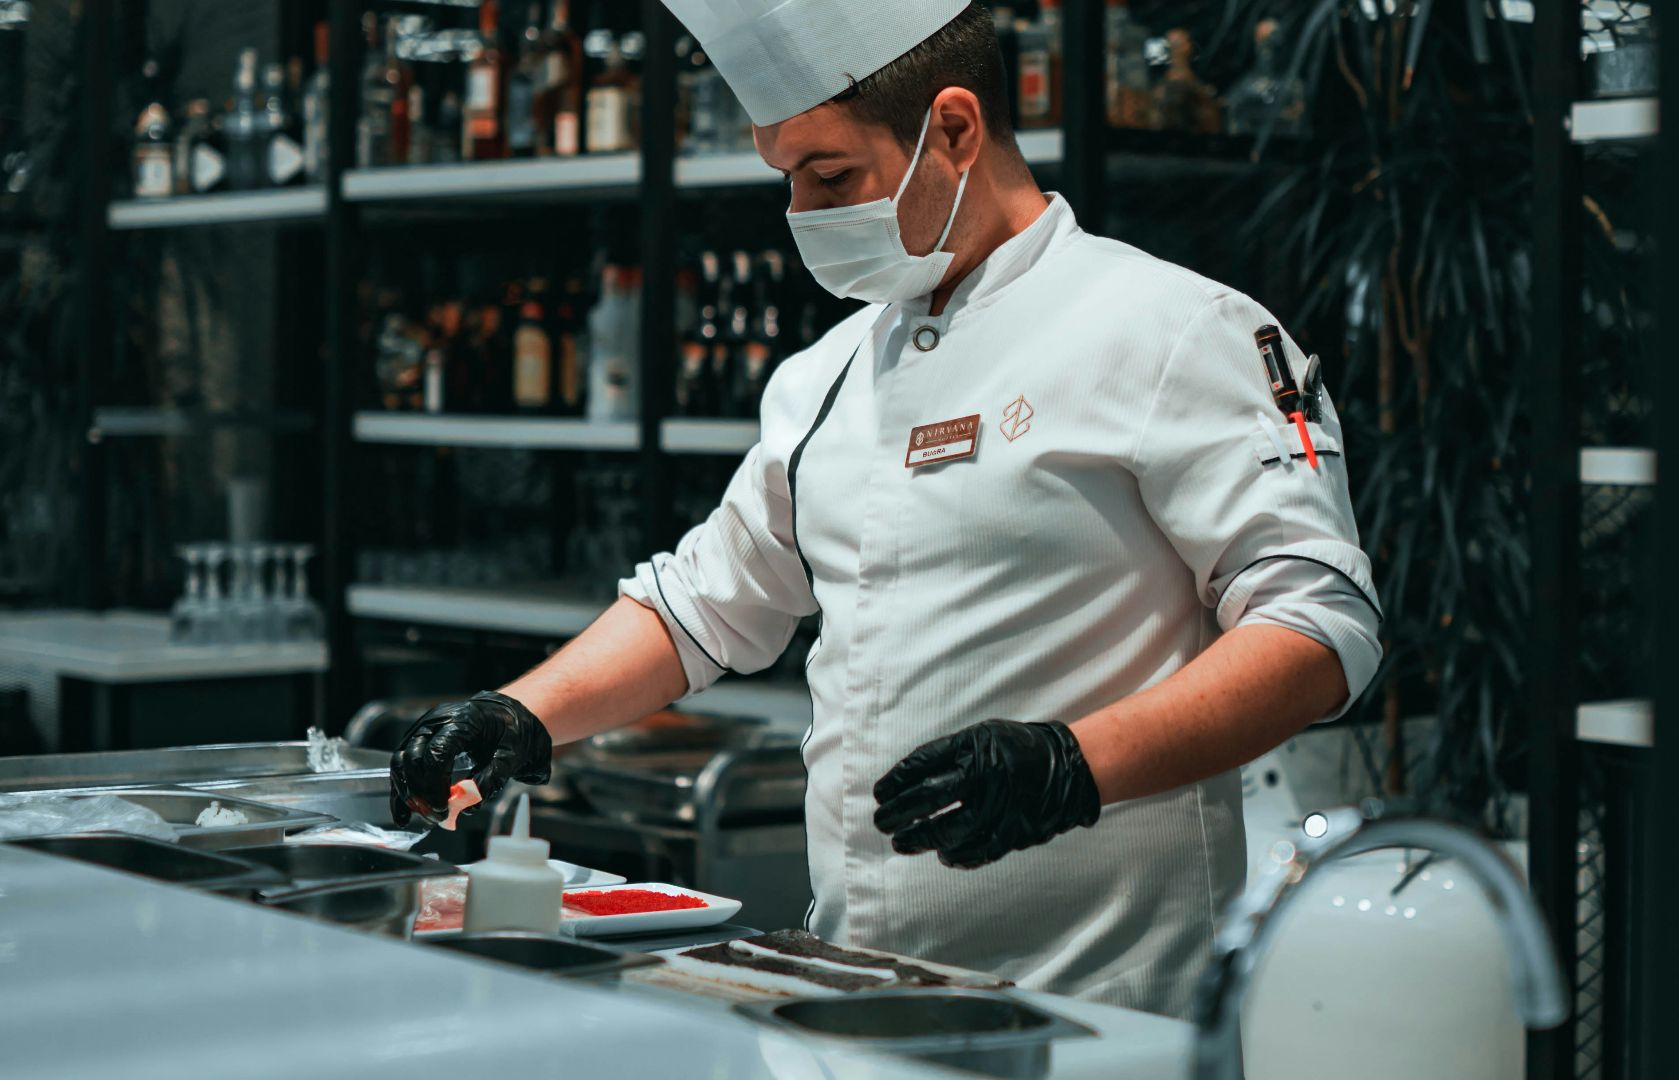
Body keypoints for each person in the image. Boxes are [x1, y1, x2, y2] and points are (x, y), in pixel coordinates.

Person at [389, 0, 1381, 1018]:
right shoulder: (828, 374)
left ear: (954, 129)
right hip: (855, 988)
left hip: (1097, 1007)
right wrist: (518, 714)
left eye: (831, 177)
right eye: (786, 179)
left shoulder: (1173, 330)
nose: (802, 213)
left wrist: (1071, 765)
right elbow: (703, 605)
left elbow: (1318, 628)